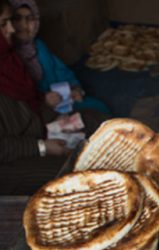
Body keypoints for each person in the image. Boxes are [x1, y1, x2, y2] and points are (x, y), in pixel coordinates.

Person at [0, 0, 70, 195]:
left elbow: (28, 101)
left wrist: (54, 118)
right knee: (69, 172)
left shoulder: (8, 60)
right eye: (3, 24)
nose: (12, 29)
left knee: (96, 123)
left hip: (29, 132)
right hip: (7, 161)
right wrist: (41, 147)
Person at [10, 0, 110, 115]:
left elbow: (61, 71)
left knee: (98, 107)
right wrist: (43, 100)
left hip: (62, 101)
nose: (24, 24)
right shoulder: (9, 56)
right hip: (37, 110)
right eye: (17, 18)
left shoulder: (39, 46)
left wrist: (74, 89)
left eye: (30, 18)